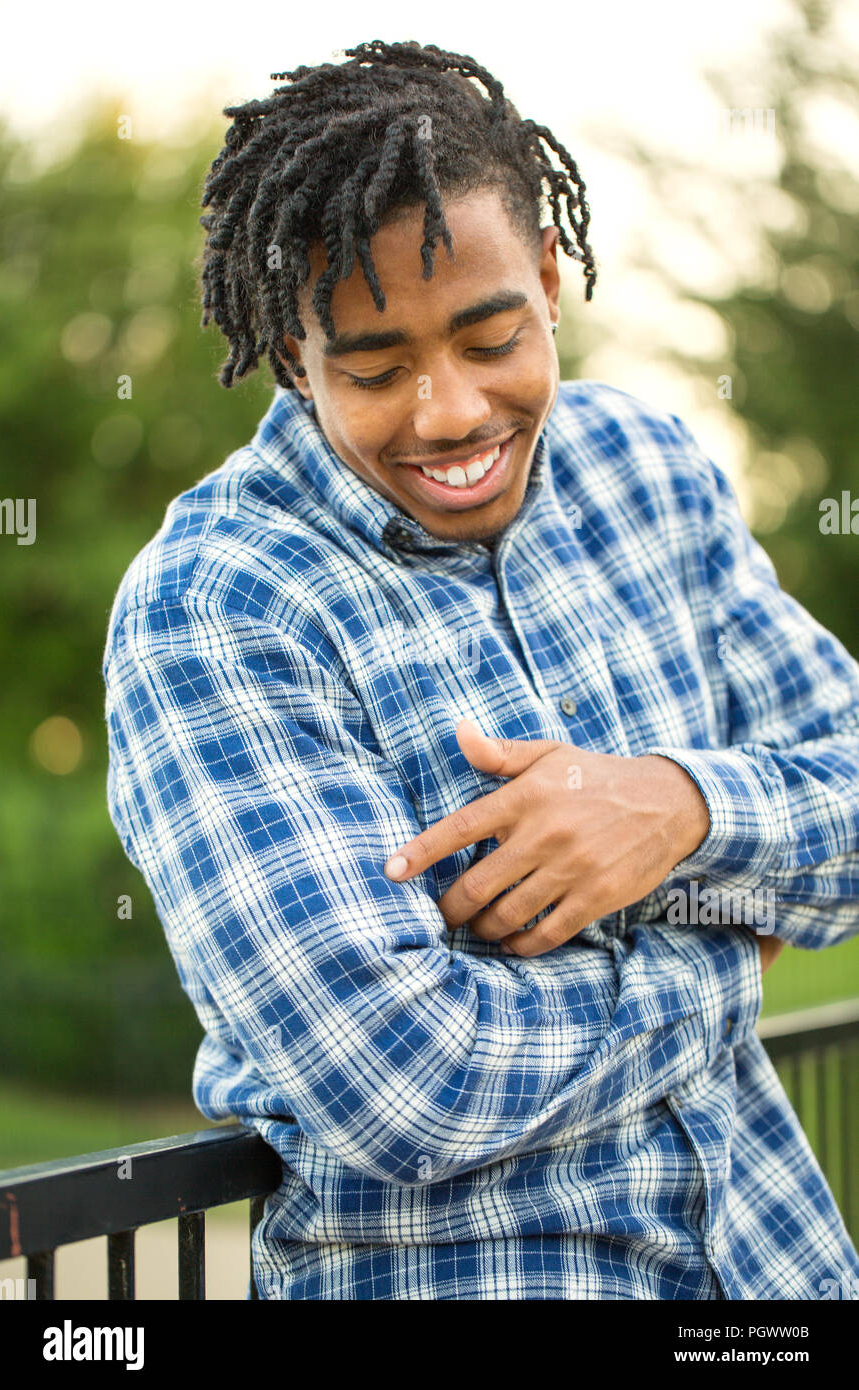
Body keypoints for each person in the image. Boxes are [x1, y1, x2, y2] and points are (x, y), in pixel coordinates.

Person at [103, 39, 859, 1300]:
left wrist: (674, 808)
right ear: (293, 356)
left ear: (549, 281)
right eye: (373, 367)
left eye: (488, 337)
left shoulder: (648, 469)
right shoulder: (214, 607)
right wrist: (727, 949)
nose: (447, 412)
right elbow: (407, 1082)